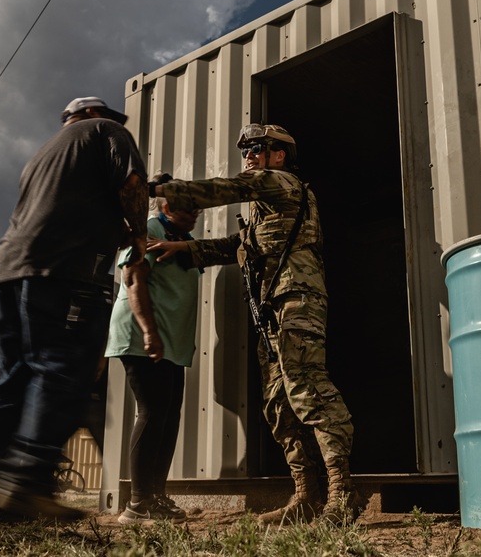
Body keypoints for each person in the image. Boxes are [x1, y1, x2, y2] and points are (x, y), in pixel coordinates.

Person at [0, 96, 148, 523]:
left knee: (14, 380)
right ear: (94, 115)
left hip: (10, 274)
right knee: (62, 371)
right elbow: (131, 184)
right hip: (65, 272)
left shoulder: (43, 154)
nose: (114, 122)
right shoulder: (107, 132)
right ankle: (25, 484)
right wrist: (137, 235)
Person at [149, 124, 361, 526]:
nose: (248, 155)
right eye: (245, 149)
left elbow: (227, 188)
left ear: (279, 155)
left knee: (308, 388)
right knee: (279, 402)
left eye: (257, 148)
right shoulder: (264, 209)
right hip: (272, 309)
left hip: (297, 299)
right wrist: (185, 248)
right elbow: (237, 246)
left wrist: (161, 190)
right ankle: (306, 497)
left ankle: (342, 493)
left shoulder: (280, 182)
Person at [107, 172, 203, 525]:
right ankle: (138, 503)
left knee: (168, 415)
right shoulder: (149, 228)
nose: (195, 210)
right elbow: (133, 278)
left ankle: (156, 498)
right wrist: (149, 332)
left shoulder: (184, 238)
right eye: (186, 205)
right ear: (165, 205)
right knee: (151, 411)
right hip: (143, 336)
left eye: (197, 206)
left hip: (170, 342)